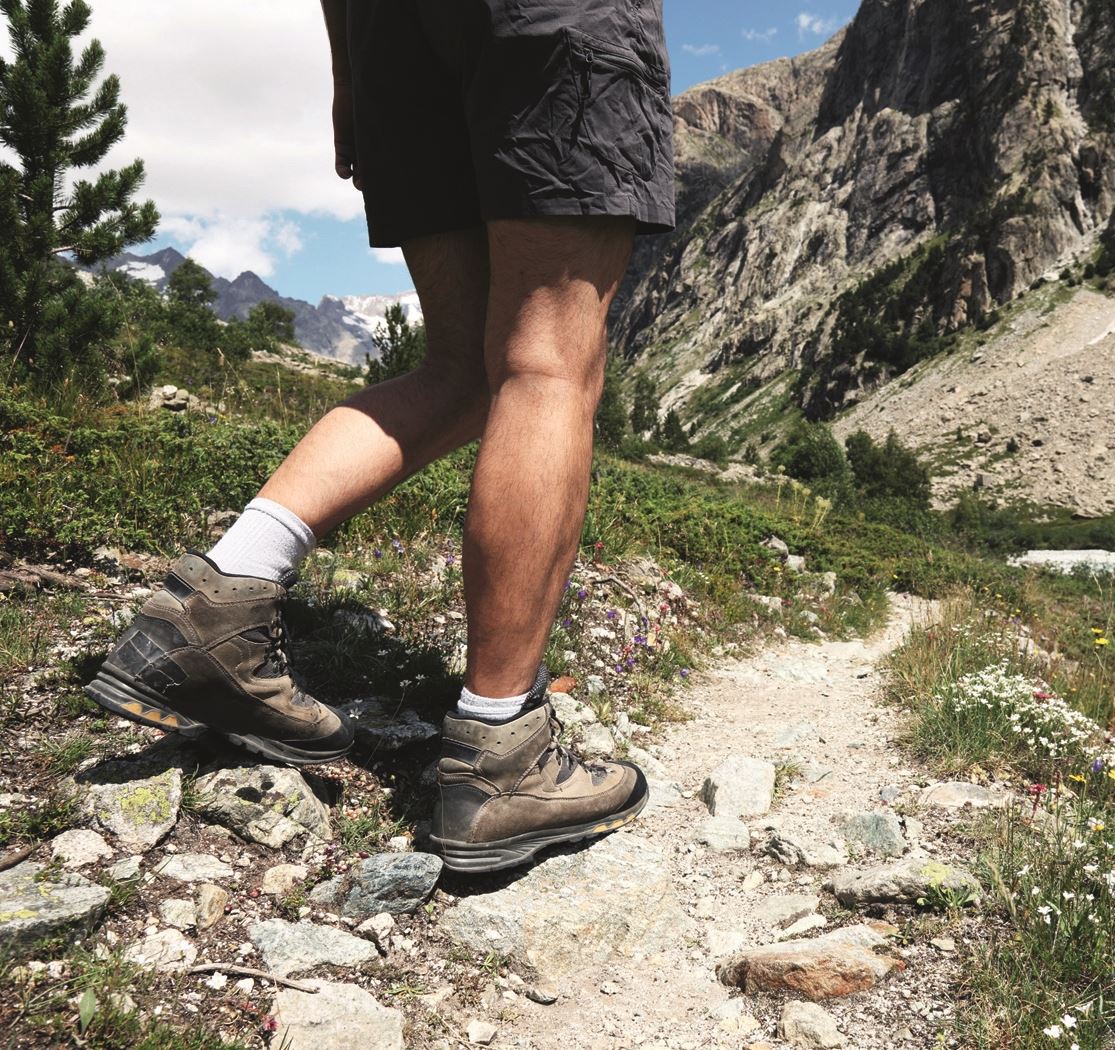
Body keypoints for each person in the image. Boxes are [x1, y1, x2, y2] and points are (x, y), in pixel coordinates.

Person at [85, 0, 675, 873]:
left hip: (387, 25)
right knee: (547, 365)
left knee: (462, 372)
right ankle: (503, 751)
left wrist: (349, 70)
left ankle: (218, 601)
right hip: (549, 21)